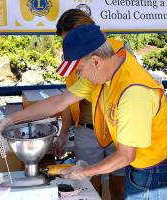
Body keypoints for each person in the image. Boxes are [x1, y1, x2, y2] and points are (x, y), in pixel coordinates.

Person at [0, 24, 167, 199]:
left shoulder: (133, 93)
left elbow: (125, 156)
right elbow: (59, 101)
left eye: (79, 69)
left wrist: (84, 172)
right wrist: (7, 121)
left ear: (95, 61)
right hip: (140, 165)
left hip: (155, 170)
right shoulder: (106, 67)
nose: (78, 75)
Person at [54, 9, 125, 199]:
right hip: (87, 131)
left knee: (120, 187)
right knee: (89, 190)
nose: (70, 46)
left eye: (72, 38)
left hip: (117, 130)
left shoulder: (117, 52)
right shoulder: (72, 61)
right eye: (65, 42)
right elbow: (66, 101)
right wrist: (62, 134)